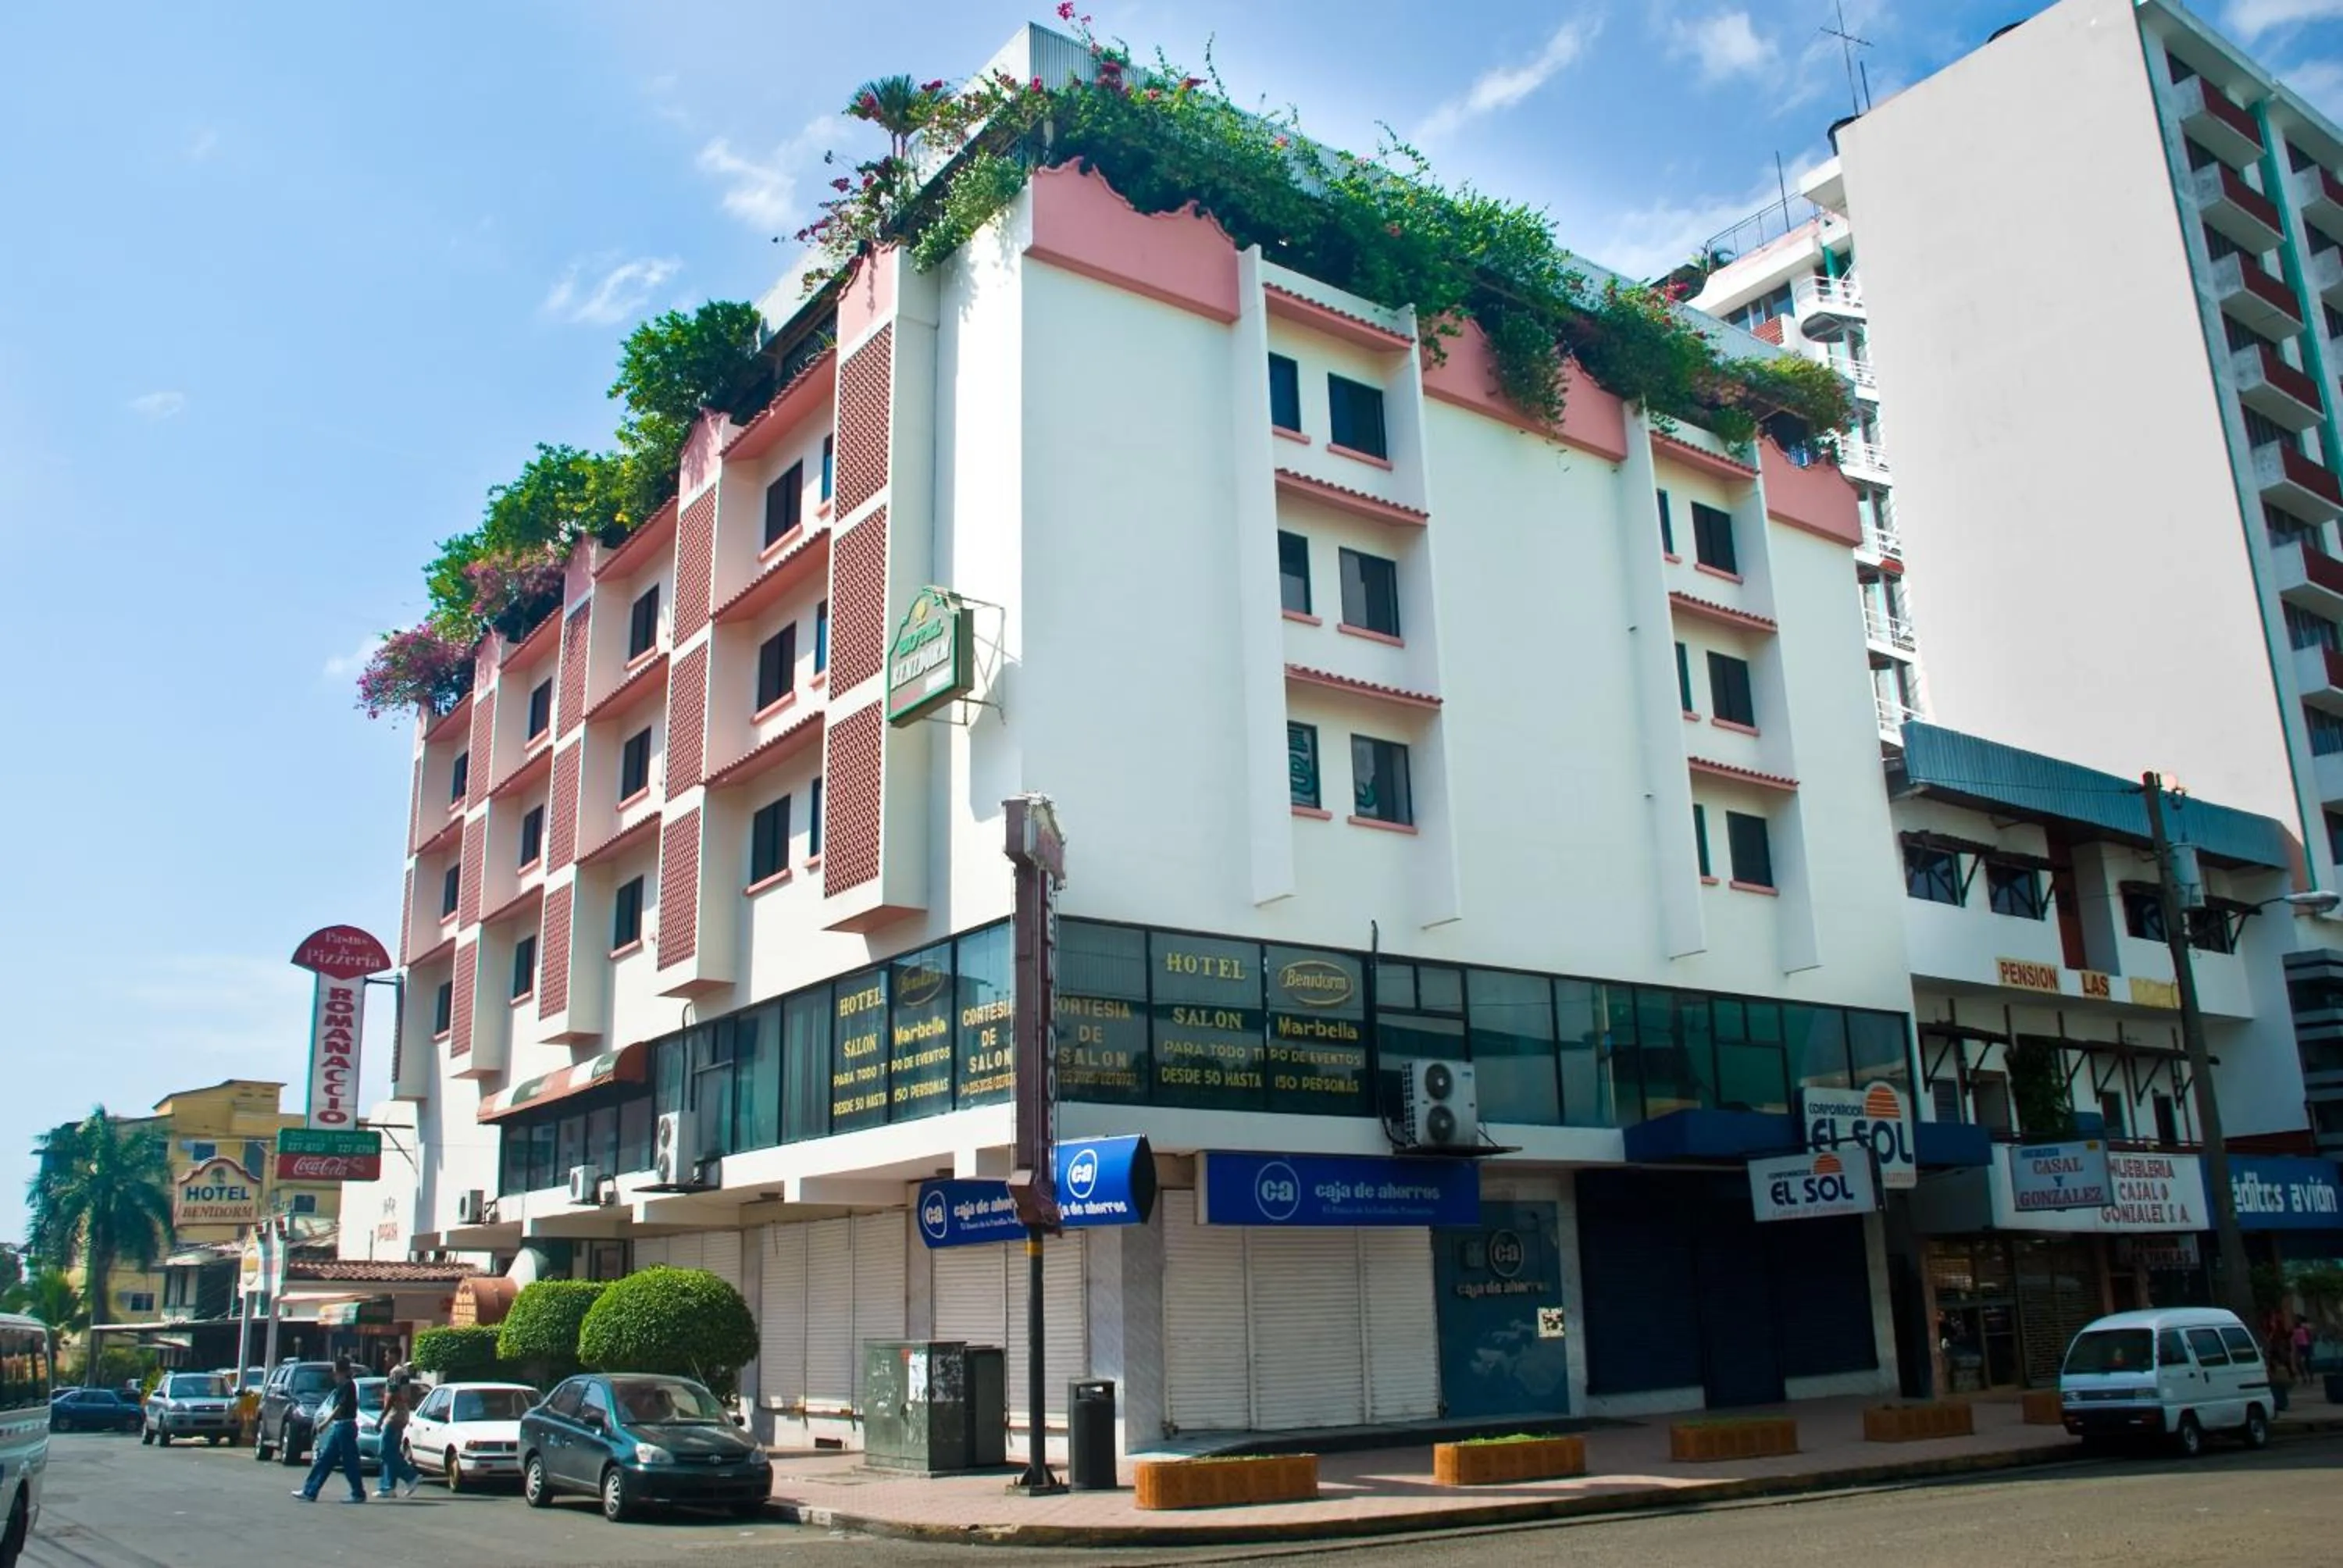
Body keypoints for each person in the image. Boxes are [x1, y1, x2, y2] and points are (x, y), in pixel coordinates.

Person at [294, 1357, 366, 1504]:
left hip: (345, 1427)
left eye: (335, 1371)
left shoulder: (348, 1386)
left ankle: (358, 1493)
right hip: (340, 1427)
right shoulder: (342, 1386)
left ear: (340, 1371)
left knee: (350, 1462)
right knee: (325, 1460)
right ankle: (310, 1491)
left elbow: (339, 1408)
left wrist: (325, 1423)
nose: (334, 1375)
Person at [375, 1370, 420, 1499]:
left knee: (385, 1451)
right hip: (402, 1416)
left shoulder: (395, 1373)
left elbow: (392, 1396)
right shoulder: (403, 1373)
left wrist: (380, 1419)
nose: (386, 1360)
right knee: (392, 1452)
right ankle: (389, 1487)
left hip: (393, 1417)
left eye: (387, 1358)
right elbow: (406, 1396)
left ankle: (410, 1476)